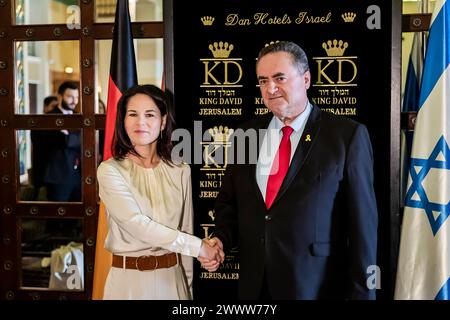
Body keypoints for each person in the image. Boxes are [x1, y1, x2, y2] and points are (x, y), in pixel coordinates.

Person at [201, 41, 378, 299]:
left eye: (279, 78)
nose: (270, 88)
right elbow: (229, 204)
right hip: (254, 287)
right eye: (263, 80)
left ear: (306, 79)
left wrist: (363, 294)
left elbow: (363, 227)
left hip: (316, 287)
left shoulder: (346, 136)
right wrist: (221, 239)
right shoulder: (245, 134)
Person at [96, 84, 223, 300]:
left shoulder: (180, 170)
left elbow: (186, 228)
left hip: (173, 281)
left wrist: (188, 289)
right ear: (123, 121)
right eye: (132, 114)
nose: (141, 122)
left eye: (150, 114)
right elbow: (137, 224)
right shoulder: (110, 170)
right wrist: (199, 247)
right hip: (128, 284)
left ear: (163, 122)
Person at [43, 81, 82, 201]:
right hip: (58, 176)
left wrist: (69, 137)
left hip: (78, 176)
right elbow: (62, 142)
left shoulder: (79, 117)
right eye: (70, 97)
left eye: (76, 97)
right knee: (56, 217)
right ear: (60, 96)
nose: (74, 101)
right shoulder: (49, 117)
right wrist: (72, 139)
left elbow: (85, 141)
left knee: (76, 217)